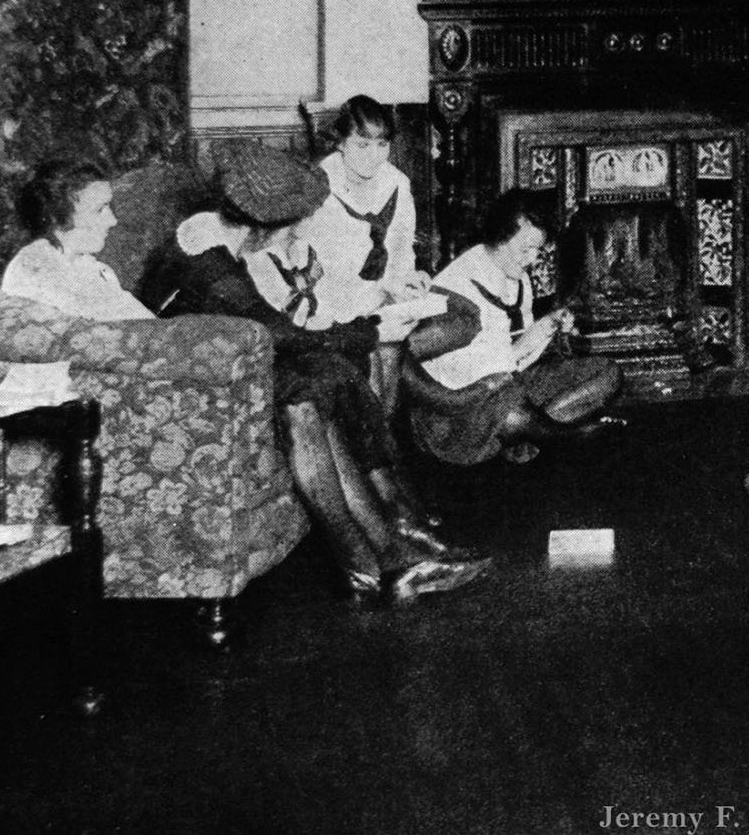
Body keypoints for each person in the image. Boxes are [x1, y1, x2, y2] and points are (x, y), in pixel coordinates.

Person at [139, 143, 488, 607]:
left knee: (330, 373)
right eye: (291, 225)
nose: (297, 232)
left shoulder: (220, 235)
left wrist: (356, 331)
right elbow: (275, 331)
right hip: (193, 384)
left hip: (231, 362)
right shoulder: (205, 258)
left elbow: (263, 331)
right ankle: (369, 560)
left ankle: (391, 543)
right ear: (262, 224)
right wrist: (369, 332)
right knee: (303, 394)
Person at [411, 189, 625, 467]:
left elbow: (520, 356)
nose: (533, 259)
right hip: (456, 412)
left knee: (608, 373)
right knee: (512, 413)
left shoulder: (518, 277)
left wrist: (549, 326)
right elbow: (449, 379)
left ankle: (533, 432)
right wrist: (520, 348)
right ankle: (562, 433)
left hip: (509, 388)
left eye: (538, 249)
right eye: (526, 249)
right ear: (499, 238)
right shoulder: (453, 289)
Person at [299, 95, 431, 322]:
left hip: (387, 302)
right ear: (341, 142)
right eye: (362, 145)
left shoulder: (397, 183)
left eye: (382, 145)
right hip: (331, 309)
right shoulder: (319, 186)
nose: (374, 156)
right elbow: (315, 268)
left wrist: (409, 280)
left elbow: (402, 249)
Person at [0, 159, 155, 322]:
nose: (113, 220)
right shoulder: (33, 274)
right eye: (99, 210)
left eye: (109, 207)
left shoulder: (92, 269)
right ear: (57, 218)